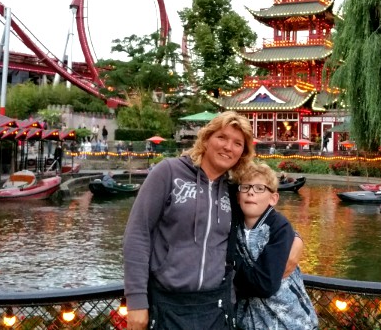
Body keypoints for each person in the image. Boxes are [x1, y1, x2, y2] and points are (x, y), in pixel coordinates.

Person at [123, 111, 304, 330]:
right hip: (168, 301)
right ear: (206, 139)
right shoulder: (168, 172)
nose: (229, 147)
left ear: (242, 153)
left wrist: (294, 238)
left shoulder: (232, 189)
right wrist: (136, 300)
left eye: (238, 143)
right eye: (222, 137)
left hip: (217, 306)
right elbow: (138, 233)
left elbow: (264, 216)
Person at [232, 162, 318, 329]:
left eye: (259, 188)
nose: (251, 192)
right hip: (249, 322)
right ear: (238, 196)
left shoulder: (279, 226)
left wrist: (231, 263)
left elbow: (265, 284)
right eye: (246, 187)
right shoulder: (234, 226)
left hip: (289, 321)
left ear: (273, 198)